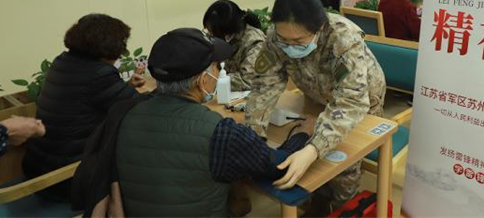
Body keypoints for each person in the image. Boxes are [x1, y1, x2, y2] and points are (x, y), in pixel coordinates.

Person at [73, 28, 313, 217]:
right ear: (202, 80)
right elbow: (278, 167)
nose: (219, 71)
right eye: (215, 66)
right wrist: (302, 135)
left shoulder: (125, 112)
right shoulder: (220, 133)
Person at [245, 0, 386, 214]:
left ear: (319, 29)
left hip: (362, 99)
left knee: (343, 163)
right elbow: (264, 86)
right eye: (284, 40)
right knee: (309, 156)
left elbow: (350, 102)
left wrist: (313, 149)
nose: (289, 46)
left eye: (299, 41)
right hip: (317, 94)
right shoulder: (277, 35)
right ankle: (319, 201)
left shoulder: (343, 38)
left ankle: (342, 208)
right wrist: (253, 137)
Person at [22, 13, 145, 200]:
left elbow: (85, 101)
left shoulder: (63, 61)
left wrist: (124, 87)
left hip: (39, 168)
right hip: (69, 179)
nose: (122, 52)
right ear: (108, 47)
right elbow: (141, 109)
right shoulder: (99, 73)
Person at [203, 0, 265, 91]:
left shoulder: (255, 42)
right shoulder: (218, 36)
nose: (210, 35)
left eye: (213, 33)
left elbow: (247, 80)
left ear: (226, 31)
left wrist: (211, 81)